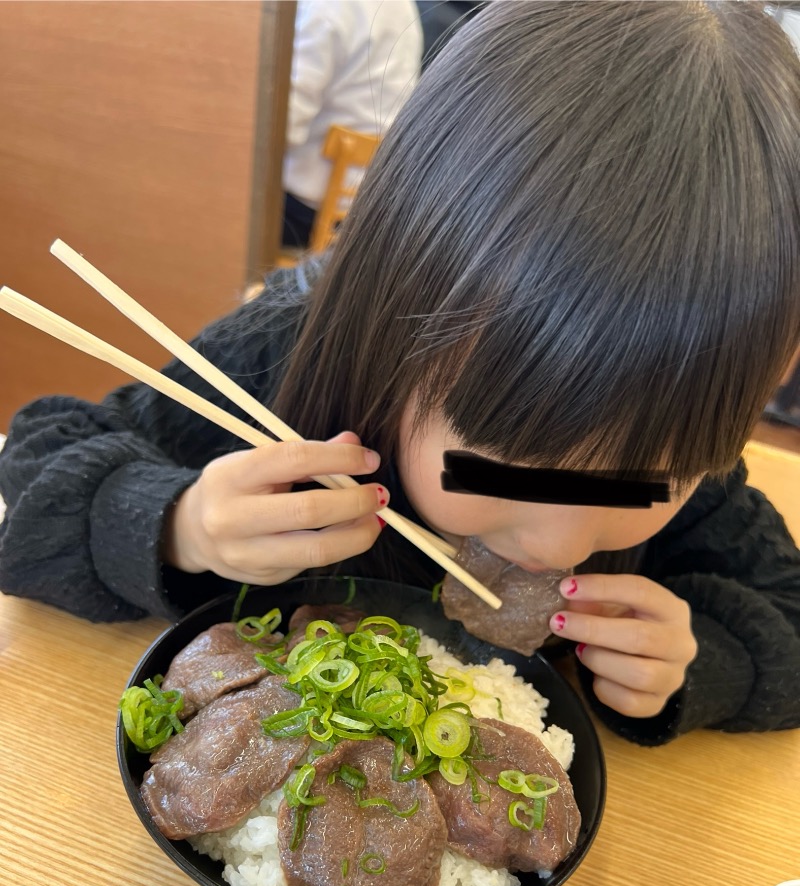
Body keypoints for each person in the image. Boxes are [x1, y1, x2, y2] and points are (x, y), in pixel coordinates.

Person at [1, 1, 799, 748]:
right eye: (506, 465)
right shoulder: (288, 352)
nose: (560, 542)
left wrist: (700, 660)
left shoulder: (677, 416)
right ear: (400, 320)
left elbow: (789, 614)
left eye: (645, 487)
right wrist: (181, 523)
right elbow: (35, 478)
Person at [282, 0, 422, 247]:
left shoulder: (325, 9)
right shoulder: (406, 8)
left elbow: (278, 132)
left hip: (307, 211)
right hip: (371, 208)